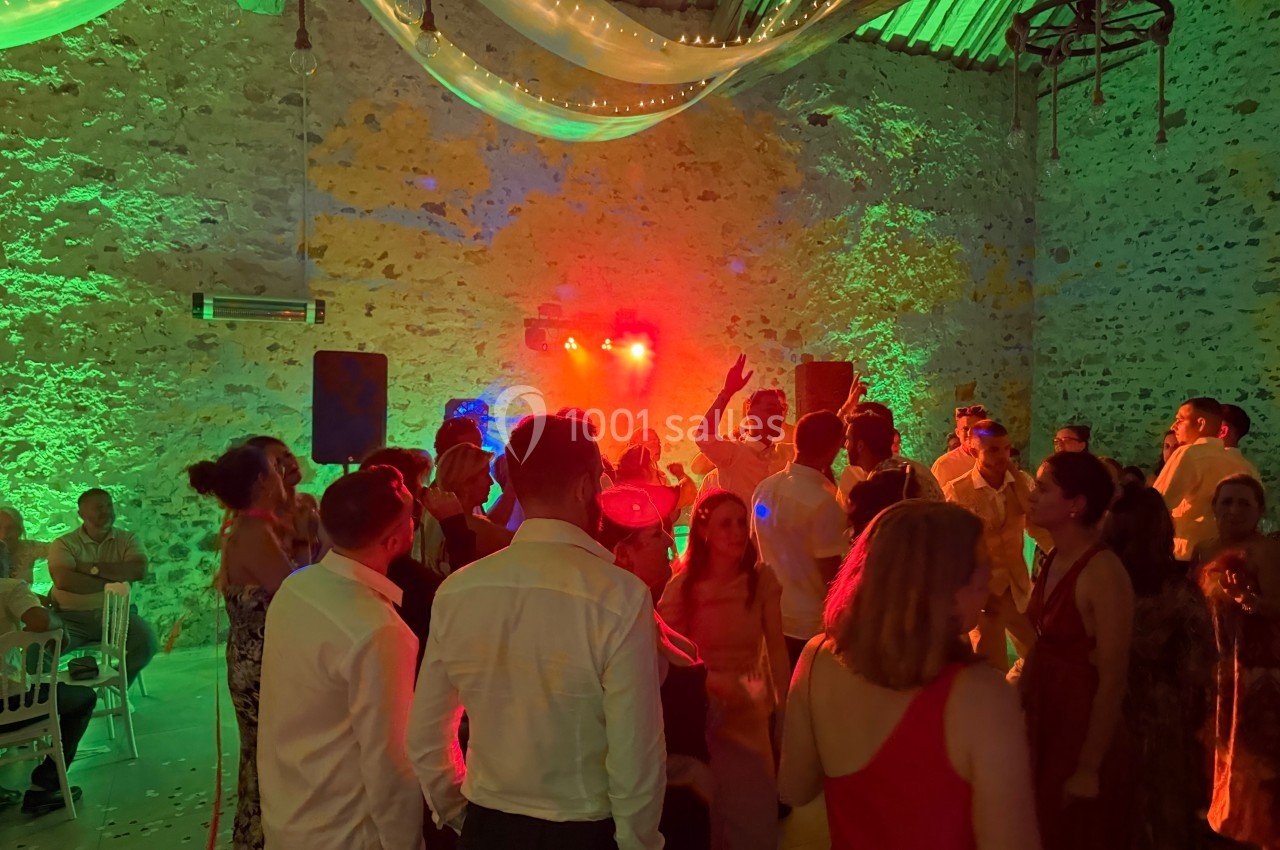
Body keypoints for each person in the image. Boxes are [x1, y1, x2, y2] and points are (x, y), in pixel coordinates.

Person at [410, 415, 666, 850]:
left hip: (488, 824)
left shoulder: (459, 590)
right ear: (586, 487)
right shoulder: (621, 596)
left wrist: (458, 813)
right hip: (582, 828)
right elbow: (635, 754)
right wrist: (637, 842)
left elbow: (425, 734)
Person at [779, 501, 1041, 850]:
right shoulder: (982, 695)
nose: (990, 575)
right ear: (944, 585)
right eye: (981, 564)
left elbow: (794, 786)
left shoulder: (817, 658)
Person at [257, 466, 423, 850]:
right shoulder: (379, 631)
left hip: (289, 817)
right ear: (397, 537)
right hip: (345, 832)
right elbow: (391, 766)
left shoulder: (298, 585)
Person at [659, 490, 789, 850]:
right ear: (704, 533)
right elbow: (666, 656)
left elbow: (776, 649)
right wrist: (711, 683)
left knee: (756, 813)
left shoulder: (760, 580)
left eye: (740, 523)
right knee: (714, 814)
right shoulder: (682, 588)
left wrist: (783, 711)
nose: (736, 532)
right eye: (725, 524)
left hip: (749, 706)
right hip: (705, 713)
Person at [1022, 452, 1135, 850]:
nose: (1032, 495)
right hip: (1046, 709)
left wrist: (1088, 766)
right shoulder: (1055, 556)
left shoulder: (1102, 572)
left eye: (1043, 487)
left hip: (1080, 719)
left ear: (1076, 504)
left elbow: (1113, 676)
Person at [188, 445, 294, 850]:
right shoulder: (253, 534)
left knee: (259, 758)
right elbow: (294, 594)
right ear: (261, 483)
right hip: (261, 664)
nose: (283, 474)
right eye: (275, 469)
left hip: (252, 660)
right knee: (268, 759)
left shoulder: (251, 528)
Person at [600, 485, 712, 850]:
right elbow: (616, 737)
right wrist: (687, 770)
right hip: (660, 813)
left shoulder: (640, 607)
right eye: (654, 533)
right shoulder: (620, 623)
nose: (668, 538)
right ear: (623, 553)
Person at [1103, 483, 1214, 850]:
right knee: (1156, 803)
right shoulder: (1178, 589)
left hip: (1103, 701)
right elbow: (1196, 664)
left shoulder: (1096, 578)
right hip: (1158, 705)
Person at [1192, 474, 1280, 849]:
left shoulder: (1266, 551)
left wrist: (1248, 601)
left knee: (1255, 754)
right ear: (1213, 508)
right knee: (1218, 745)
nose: (1234, 510)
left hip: (1255, 668)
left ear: (1260, 510)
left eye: (1244, 503)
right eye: (1226, 502)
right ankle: (1225, 821)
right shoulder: (1203, 548)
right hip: (1216, 664)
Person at [751, 411, 849, 670]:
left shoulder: (765, 487)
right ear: (833, 448)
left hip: (771, 613)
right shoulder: (822, 502)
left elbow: (754, 546)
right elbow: (832, 575)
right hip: (809, 622)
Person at [0, 560, 98, 816]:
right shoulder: (9, 589)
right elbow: (41, 621)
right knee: (83, 697)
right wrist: (60, 624)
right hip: (8, 706)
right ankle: (45, 785)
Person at [942, 421, 1037, 671]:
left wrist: (1016, 476)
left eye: (1007, 449)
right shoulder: (956, 491)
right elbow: (951, 548)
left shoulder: (1020, 484)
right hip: (984, 594)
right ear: (973, 451)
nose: (1003, 456)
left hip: (1018, 589)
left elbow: (1036, 520)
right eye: (993, 450)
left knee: (1038, 654)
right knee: (989, 667)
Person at [46, 489, 157, 685]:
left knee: (147, 643)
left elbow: (138, 571)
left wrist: (89, 568)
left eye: (109, 505)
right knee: (37, 653)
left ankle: (118, 685)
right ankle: (51, 702)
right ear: (81, 514)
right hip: (71, 619)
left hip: (118, 615)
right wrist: (114, 582)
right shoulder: (64, 543)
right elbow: (64, 581)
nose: (106, 511)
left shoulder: (128, 539)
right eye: (99, 507)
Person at [1154, 397, 1260, 561]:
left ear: (1201, 424)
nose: (1173, 426)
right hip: (1230, 556)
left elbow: (1156, 503)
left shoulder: (1189, 454)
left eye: (1179, 420)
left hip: (1188, 554)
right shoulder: (1247, 467)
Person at [692, 356, 792, 505]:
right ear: (750, 412)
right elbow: (703, 436)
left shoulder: (787, 454)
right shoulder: (734, 453)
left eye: (781, 411)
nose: (778, 416)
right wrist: (727, 392)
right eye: (771, 409)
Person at [839, 411, 943, 510]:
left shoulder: (885, 483)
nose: (845, 445)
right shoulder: (904, 469)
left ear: (860, 445)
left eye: (848, 440)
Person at [244, 436, 323, 565]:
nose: (289, 463)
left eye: (288, 455)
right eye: (277, 463)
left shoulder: (307, 501)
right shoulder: (268, 520)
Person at [432, 443, 513, 562]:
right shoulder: (470, 527)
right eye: (486, 475)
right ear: (466, 484)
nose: (491, 482)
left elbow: (492, 524)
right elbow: (522, 543)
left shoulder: (438, 517)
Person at [931, 405, 987, 489]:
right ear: (957, 433)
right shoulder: (944, 465)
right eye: (966, 429)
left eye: (975, 428)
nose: (970, 433)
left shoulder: (996, 458)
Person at [0, 507, 48, 586]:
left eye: (10, 528)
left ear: (19, 530)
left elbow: (59, 549)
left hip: (23, 597)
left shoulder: (29, 548)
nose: (4, 534)